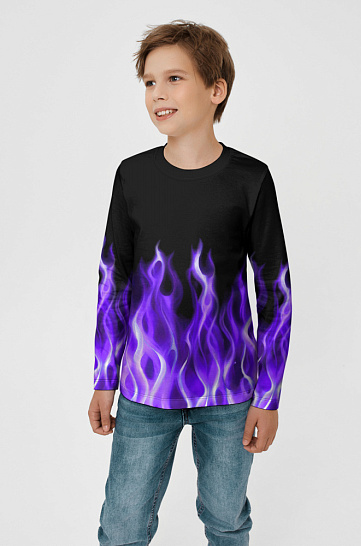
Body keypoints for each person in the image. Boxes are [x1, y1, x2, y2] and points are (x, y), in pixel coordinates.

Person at [88, 19, 292, 546]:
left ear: (216, 89)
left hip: (229, 390)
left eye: (174, 78)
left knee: (226, 520)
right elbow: (114, 282)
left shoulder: (250, 179)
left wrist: (268, 395)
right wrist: (105, 377)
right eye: (150, 82)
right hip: (144, 387)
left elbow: (275, 292)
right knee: (122, 525)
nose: (158, 93)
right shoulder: (132, 176)